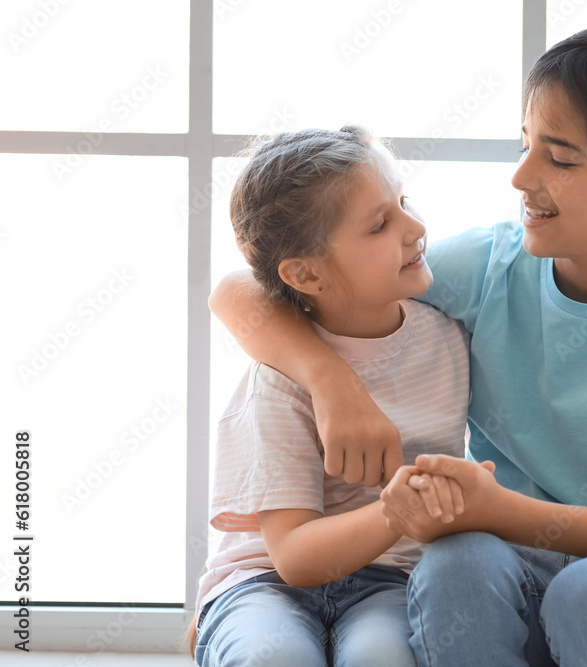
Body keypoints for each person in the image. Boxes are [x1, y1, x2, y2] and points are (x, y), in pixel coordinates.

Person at [210, 19, 587, 667]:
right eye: (525, 144)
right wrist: (331, 382)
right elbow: (244, 288)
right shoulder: (489, 267)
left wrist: (503, 510)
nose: (522, 176)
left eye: (560, 157)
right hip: (503, 569)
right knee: (454, 562)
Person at [189, 126, 478, 666]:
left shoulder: (451, 339)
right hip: (264, 582)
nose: (415, 228)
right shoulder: (279, 374)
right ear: (305, 273)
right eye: (380, 224)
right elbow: (294, 558)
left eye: (404, 202)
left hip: (390, 579)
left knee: (382, 659)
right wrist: (396, 510)